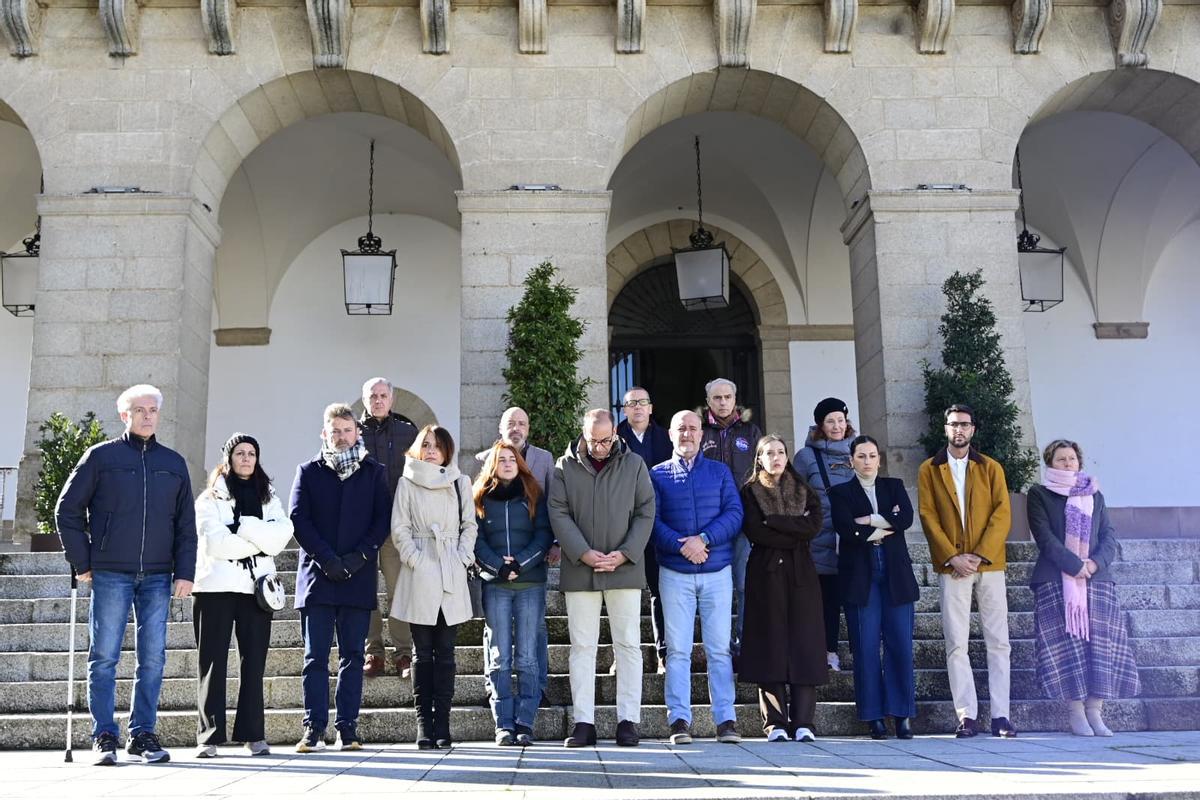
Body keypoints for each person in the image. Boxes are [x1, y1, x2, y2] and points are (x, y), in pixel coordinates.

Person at [56, 384, 197, 766]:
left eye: (153, 409)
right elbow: (66, 511)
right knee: (103, 657)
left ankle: (143, 734)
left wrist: (185, 571)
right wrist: (83, 561)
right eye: (140, 410)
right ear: (125, 415)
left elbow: (186, 523)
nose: (148, 415)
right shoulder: (101, 457)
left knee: (153, 658)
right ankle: (104, 734)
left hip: (157, 575)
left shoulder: (174, 462)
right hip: (110, 572)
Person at [549, 409, 655, 748]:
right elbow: (558, 512)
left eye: (606, 440)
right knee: (582, 647)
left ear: (615, 434)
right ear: (583, 433)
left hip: (624, 567)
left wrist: (625, 552)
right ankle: (584, 722)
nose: (600, 447)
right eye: (594, 440)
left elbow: (646, 510)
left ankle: (628, 721)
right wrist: (583, 552)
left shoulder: (634, 464)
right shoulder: (563, 467)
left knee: (628, 645)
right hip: (581, 569)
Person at [290, 403, 392, 753]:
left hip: (358, 576)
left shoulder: (375, 472)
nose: (342, 436)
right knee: (315, 658)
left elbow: (382, 520)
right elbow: (299, 518)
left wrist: (357, 557)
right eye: (335, 431)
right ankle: (313, 728)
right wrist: (327, 559)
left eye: (347, 431)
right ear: (325, 433)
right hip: (317, 578)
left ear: (357, 433)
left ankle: (347, 729)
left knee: (352, 656)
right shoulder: (307, 471)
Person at [917, 403, 1017, 738]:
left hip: (989, 564)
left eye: (964, 424)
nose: (958, 430)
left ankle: (1001, 716)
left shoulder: (991, 468)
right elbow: (928, 516)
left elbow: (1002, 513)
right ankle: (966, 716)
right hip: (952, 567)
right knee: (956, 642)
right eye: (953, 424)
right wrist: (952, 556)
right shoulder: (929, 469)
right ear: (945, 428)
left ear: (973, 429)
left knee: (998, 640)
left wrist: (979, 554)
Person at [1027, 439, 1139, 736]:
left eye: (1072, 459)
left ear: (1080, 462)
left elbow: (1109, 537)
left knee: (1100, 648)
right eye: (1061, 459)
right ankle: (1076, 713)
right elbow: (1044, 536)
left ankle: (1095, 712)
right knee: (1068, 649)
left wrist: (1094, 564)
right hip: (1055, 580)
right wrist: (1074, 564)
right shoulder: (1039, 494)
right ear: (1050, 463)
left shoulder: (1095, 494)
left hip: (1096, 581)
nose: (1067, 464)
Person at [192, 433, 294, 757]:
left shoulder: (269, 496)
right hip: (215, 588)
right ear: (229, 457)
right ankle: (209, 736)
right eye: (240, 453)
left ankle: (253, 734)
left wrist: (244, 527)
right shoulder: (210, 498)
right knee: (212, 663)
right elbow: (216, 543)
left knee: (254, 664)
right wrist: (259, 540)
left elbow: (281, 538)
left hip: (256, 590)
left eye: (252, 453)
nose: (246, 458)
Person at [651, 410, 745, 745]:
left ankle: (726, 720)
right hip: (675, 572)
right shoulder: (657, 475)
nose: (687, 434)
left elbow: (735, 514)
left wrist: (703, 539)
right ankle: (678, 720)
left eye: (692, 428)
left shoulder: (720, 473)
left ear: (701, 433)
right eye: (681, 429)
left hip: (716, 571)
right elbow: (651, 520)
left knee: (719, 649)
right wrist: (683, 547)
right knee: (677, 650)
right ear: (671, 435)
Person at [391, 424, 478, 749]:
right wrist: (416, 560)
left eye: (437, 446)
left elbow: (470, 525)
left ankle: (443, 724)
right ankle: (423, 725)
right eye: (425, 444)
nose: (430, 450)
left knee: (446, 652)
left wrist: (461, 557)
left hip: (451, 568)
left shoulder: (460, 482)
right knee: (421, 651)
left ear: (447, 451)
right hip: (420, 570)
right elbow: (399, 528)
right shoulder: (407, 482)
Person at [830, 435, 918, 740]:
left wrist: (868, 520)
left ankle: (903, 714)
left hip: (896, 574)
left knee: (900, 646)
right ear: (851, 460)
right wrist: (885, 525)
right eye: (861, 456)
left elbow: (905, 518)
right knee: (866, 649)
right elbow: (847, 531)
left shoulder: (893, 486)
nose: (867, 461)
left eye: (871, 456)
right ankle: (874, 717)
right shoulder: (840, 492)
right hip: (860, 577)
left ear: (879, 459)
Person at [739, 435, 826, 742]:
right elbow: (755, 532)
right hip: (765, 574)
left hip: (801, 573)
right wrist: (791, 527)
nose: (775, 457)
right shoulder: (749, 492)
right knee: (770, 645)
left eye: (780, 452)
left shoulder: (804, 490)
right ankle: (775, 723)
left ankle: (804, 722)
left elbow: (813, 526)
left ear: (787, 456)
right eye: (768, 453)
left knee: (804, 644)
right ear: (759, 459)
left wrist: (773, 521)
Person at [473, 442, 554, 746]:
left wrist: (521, 563)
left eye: (512, 459)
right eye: (501, 459)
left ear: (519, 462)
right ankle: (503, 723)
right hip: (496, 586)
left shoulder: (533, 493)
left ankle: (525, 721)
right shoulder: (480, 497)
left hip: (529, 584)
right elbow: (475, 539)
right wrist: (498, 567)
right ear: (493, 465)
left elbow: (544, 535)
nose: (507, 463)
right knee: (500, 657)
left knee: (527, 657)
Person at [358, 377, 419, 679]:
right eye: (373, 396)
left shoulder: (409, 434)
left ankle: (404, 654)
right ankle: (373, 653)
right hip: (365, 530)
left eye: (383, 395)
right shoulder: (353, 434)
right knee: (367, 594)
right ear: (365, 399)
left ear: (392, 399)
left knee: (399, 592)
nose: (379, 400)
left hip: (397, 528)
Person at [698, 378, 762, 658]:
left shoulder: (751, 431)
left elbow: (763, 474)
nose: (723, 402)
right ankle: (717, 644)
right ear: (708, 401)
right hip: (708, 523)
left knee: (744, 583)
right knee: (712, 587)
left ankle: (744, 640)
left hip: (743, 521)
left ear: (735, 399)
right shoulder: (699, 431)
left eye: (727, 397)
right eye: (717, 398)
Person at [793, 397, 857, 671]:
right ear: (820, 424)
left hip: (854, 540)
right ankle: (827, 652)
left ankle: (859, 654)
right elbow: (793, 495)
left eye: (841, 420)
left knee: (855, 601)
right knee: (824, 602)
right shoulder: (806, 457)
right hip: (819, 541)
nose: (836, 426)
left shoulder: (859, 451)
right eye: (830, 421)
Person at [615, 386, 672, 673]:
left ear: (651, 407)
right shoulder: (611, 439)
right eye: (631, 403)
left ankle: (664, 654)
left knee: (659, 591)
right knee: (621, 593)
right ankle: (622, 655)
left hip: (659, 524)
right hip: (621, 526)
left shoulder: (666, 438)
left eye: (643, 403)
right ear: (623, 410)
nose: (637, 408)